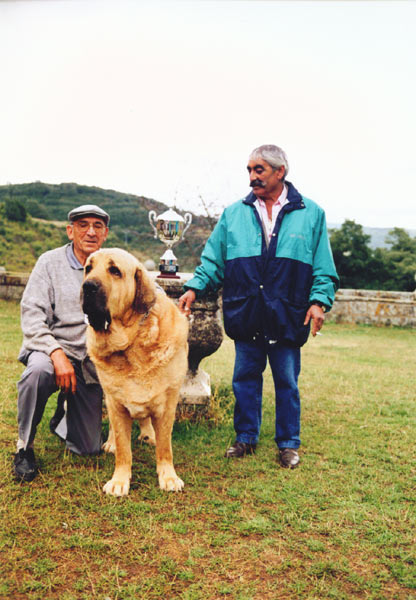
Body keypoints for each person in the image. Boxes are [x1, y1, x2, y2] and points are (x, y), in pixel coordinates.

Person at [179, 144, 339, 468]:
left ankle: (288, 444)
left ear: (280, 172)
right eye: (249, 170)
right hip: (247, 311)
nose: (252, 176)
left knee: (287, 382)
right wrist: (195, 287)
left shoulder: (312, 214)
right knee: (245, 379)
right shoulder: (233, 214)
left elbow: (323, 268)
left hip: (288, 313)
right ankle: (246, 438)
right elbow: (213, 260)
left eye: (259, 170)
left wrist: (319, 302)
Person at [13, 204, 110, 482]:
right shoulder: (49, 262)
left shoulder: (111, 266)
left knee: (88, 448)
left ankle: (63, 415)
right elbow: (32, 316)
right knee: (37, 373)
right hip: (52, 351)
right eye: (83, 225)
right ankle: (24, 449)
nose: (90, 231)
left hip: (90, 362)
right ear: (70, 231)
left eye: (97, 226)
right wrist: (56, 354)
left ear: (105, 234)